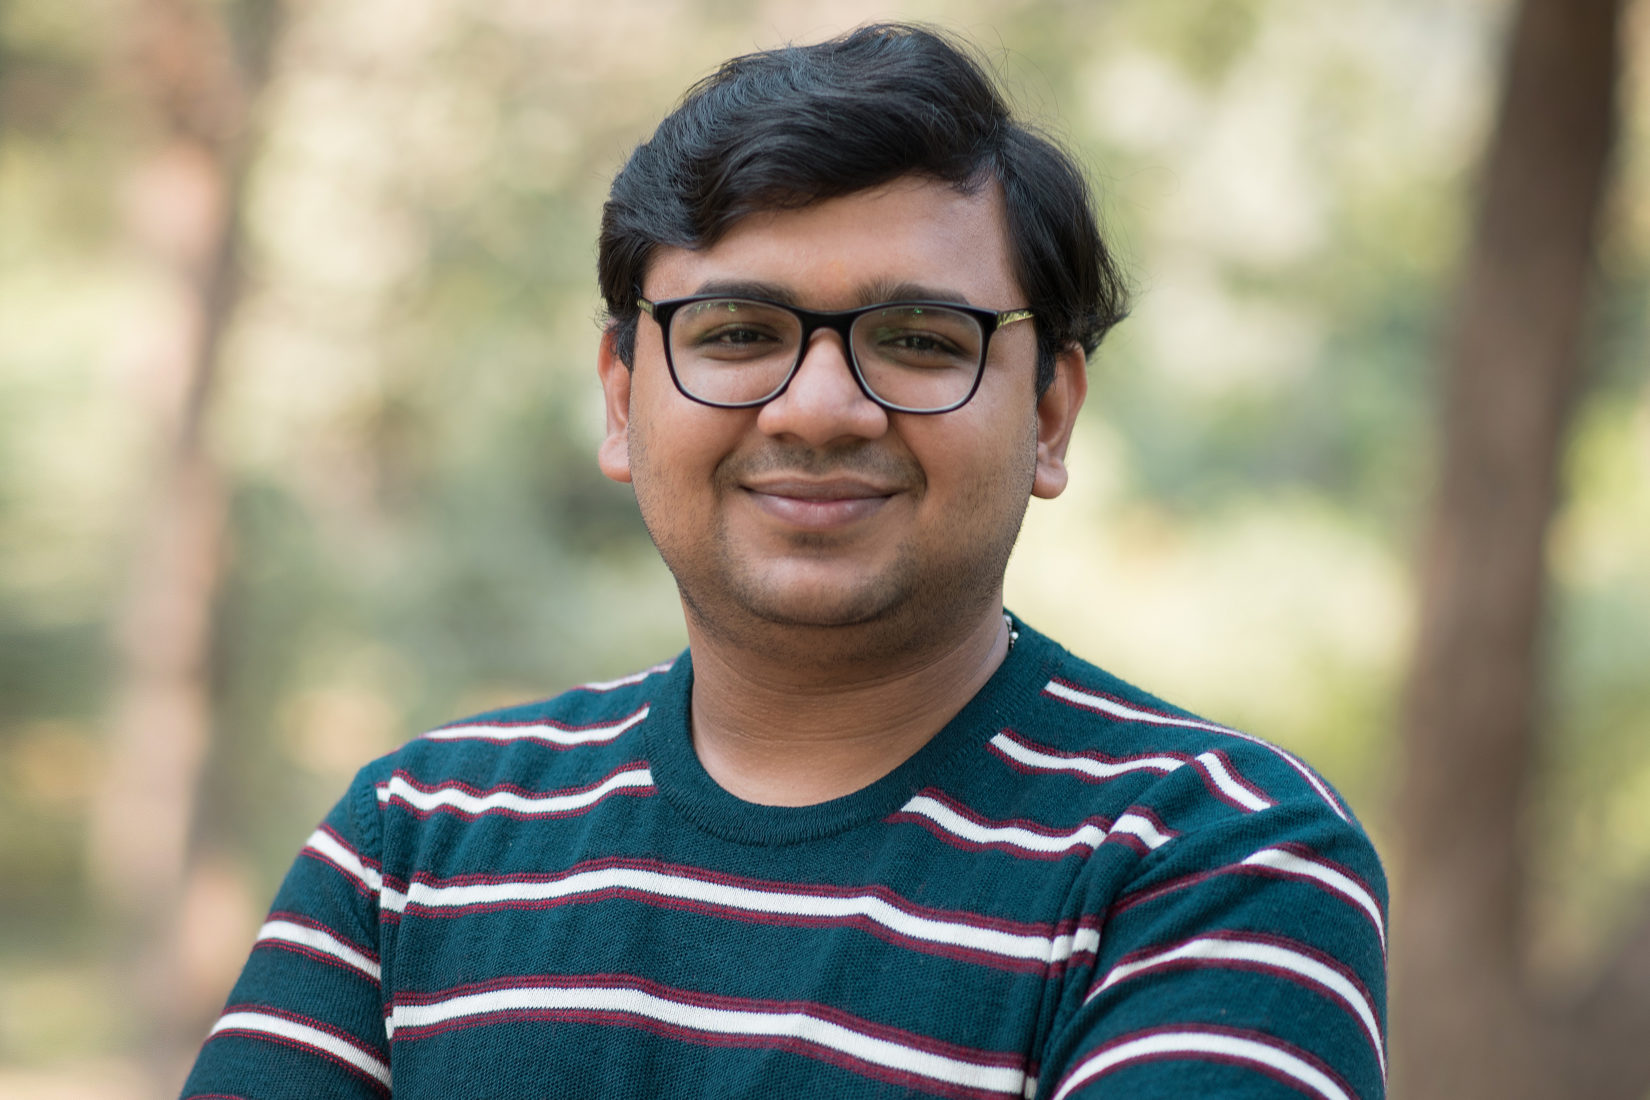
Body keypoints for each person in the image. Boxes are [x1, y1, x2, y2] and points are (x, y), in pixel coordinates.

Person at [182, 23, 1386, 1100]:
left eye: (920, 339)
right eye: (739, 333)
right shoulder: (415, 840)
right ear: (623, 397)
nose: (818, 408)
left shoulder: (1220, 861)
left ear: (1051, 417)